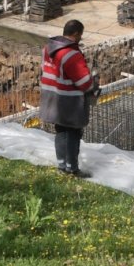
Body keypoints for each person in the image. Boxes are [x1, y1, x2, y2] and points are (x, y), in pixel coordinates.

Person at [40, 19, 99, 178]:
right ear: (76, 34)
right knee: (73, 133)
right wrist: (93, 85)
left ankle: (62, 166)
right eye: (80, 35)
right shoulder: (72, 54)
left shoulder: (48, 49)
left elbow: (45, 70)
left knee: (60, 131)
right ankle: (72, 169)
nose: (81, 38)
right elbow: (83, 83)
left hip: (52, 98)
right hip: (69, 101)